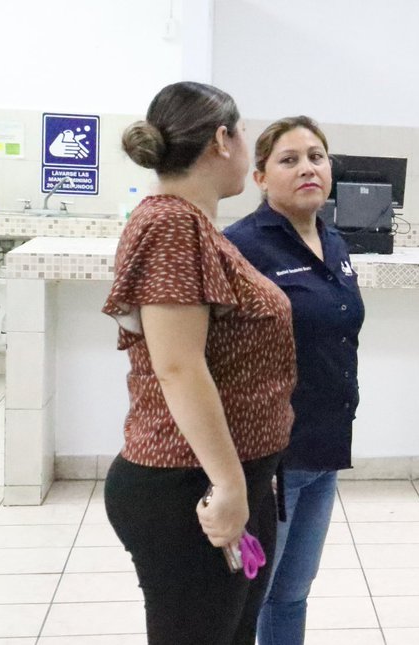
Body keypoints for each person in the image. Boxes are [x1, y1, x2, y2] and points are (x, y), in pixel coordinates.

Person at [104, 81, 296, 645]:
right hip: (188, 486)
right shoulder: (170, 224)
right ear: (222, 138)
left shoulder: (197, 226)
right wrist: (229, 483)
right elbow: (178, 366)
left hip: (224, 480)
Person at [224, 116, 365, 645]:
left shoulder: (334, 241)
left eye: (316, 156)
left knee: (292, 593)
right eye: (289, 159)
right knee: (251, 594)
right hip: (269, 456)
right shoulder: (242, 246)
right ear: (260, 177)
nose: (307, 167)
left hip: (325, 446)